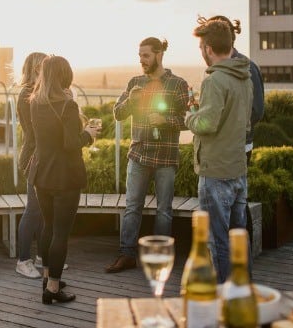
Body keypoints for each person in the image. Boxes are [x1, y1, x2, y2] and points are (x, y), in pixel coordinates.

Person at [105, 37, 190, 273]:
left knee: (164, 209)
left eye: (146, 55)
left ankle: (161, 258)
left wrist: (166, 120)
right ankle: (127, 255)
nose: (141, 60)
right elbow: (118, 114)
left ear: (159, 54)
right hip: (138, 155)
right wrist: (131, 101)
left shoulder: (178, 84)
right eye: (140, 55)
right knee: (132, 206)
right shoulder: (135, 83)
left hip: (166, 157)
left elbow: (190, 120)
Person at [186, 19, 253, 283]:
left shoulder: (214, 81)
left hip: (215, 172)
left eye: (201, 47)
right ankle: (244, 293)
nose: (201, 52)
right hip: (238, 169)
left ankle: (227, 300)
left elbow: (207, 123)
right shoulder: (244, 77)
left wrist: (188, 117)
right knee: (239, 237)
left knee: (218, 241)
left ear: (209, 48)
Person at [28, 55, 99, 304]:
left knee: (48, 227)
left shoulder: (35, 102)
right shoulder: (67, 106)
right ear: (65, 76)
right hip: (64, 176)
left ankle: (48, 279)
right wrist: (88, 135)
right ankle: (54, 289)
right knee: (61, 233)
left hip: (41, 173)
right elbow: (71, 144)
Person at [199, 15, 265, 163]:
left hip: (238, 147)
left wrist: (226, 129)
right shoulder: (212, 68)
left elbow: (257, 110)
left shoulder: (248, 67)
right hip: (215, 147)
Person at [15, 52, 49, 279]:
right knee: (33, 209)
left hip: (44, 156)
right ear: (37, 68)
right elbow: (36, 129)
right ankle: (23, 260)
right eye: (46, 66)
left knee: (43, 210)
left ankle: (43, 256)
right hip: (33, 157)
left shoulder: (39, 92)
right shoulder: (28, 94)